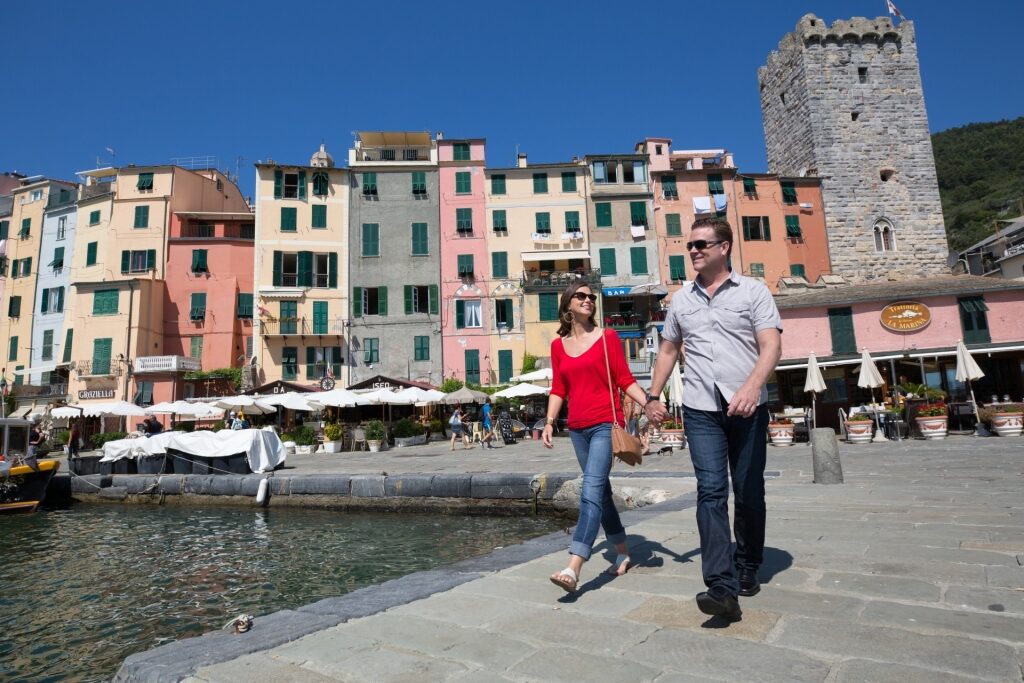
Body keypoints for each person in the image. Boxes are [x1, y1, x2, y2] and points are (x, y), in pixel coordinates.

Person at [646, 217, 782, 622]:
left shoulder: (754, 292)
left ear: (724, 247)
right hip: (701, 408)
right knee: (710, 491)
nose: (693, 251)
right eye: (690, 245)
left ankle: (748, 563)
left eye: (702, 244)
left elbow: (771, 346)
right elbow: (669, 351)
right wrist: (653, 396)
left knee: (748, 490)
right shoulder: (681, 300)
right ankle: (720, 585)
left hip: (748, 407)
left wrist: (751, 387)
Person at [543, 282, 650, 592]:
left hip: (606, 424)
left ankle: (574, 564)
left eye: (591, 296)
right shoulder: (558, 346)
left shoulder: (608, 338)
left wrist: (650, 403)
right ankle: (623, 552)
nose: (588, 300)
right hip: (576, 429)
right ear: (567, 306)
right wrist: (549, 422)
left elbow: (625, 380)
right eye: (581, 295)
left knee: (590, 489)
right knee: (601, 494)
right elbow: (559, 388)